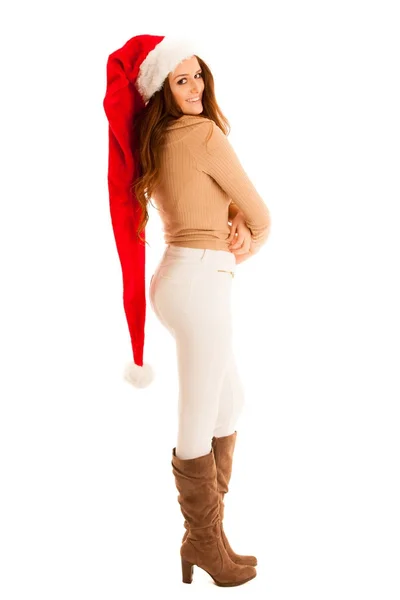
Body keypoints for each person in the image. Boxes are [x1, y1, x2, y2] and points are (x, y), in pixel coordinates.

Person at [103, 34, 271, 587]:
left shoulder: (159, 138)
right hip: (200, 280)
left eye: (199, 74)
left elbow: (223, 210)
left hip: (180, 278)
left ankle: (210, 535)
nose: (196, 86)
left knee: (231, 400)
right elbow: (261, 215)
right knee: (198, 415)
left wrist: (236, 229)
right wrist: (247, 230)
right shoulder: (202, 134)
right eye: (182, 79)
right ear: (165, 91)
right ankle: (202, 541)